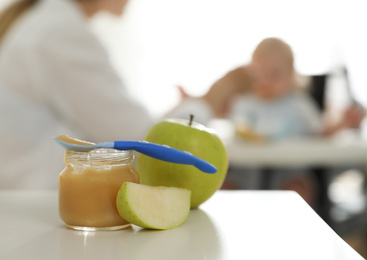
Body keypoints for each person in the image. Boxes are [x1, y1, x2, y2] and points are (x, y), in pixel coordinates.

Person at [0, 0, 242, 189]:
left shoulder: (45, 23)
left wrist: (187, 110)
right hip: (44, 208)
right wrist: (209, 101)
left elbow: (120, 132)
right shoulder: (61, 33)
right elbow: (143, 146)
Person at [222, 38, 364, 205]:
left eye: (274, 74)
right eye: (259, 73)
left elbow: (321, 132)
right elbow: (230, 134)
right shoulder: (243, 103)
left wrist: (343, 123)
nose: (266, 80)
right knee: (224, 187)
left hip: (289, 171)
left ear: (290, 76)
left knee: (300, 187)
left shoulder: (299, 104)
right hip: (246, 173)